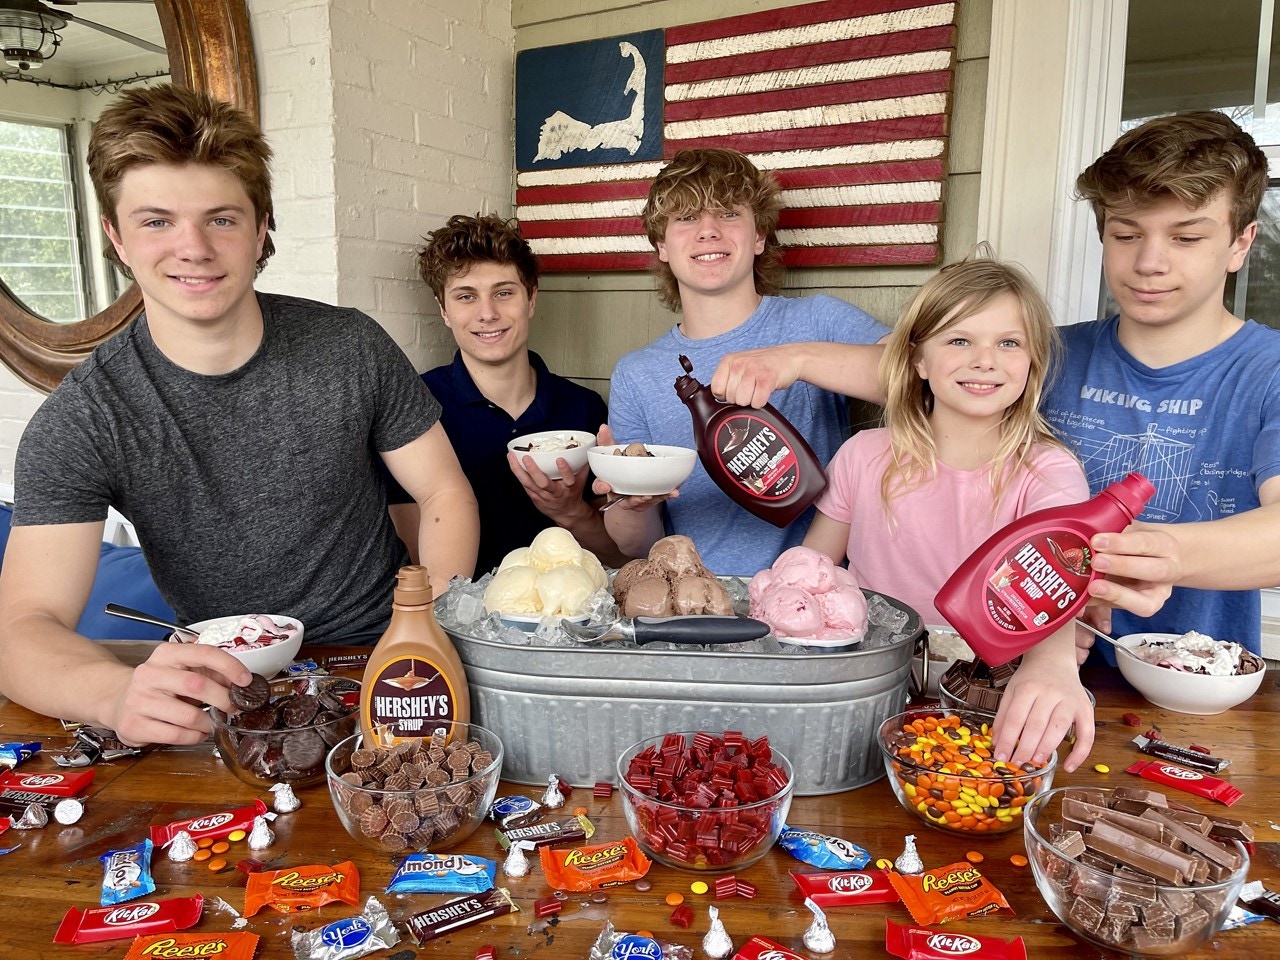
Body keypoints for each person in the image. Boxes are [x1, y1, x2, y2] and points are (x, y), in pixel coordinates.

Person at [0, 85, 479, 748]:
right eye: (156, 220)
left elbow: (441, 490)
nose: (192, 247)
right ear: (115, 235)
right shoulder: (84, 419)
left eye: (221, 218)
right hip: (224, 689)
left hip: (382, 656)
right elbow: (22, 627)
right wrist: (112, 692)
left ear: (260, 230)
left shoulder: (350, 346)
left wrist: (429, 631)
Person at [802, 256, 1096, 771]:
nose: (985, 360)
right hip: (869, 691)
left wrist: (1056, 659)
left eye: (1009, 343)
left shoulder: (1049, 471)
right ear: (917, 359)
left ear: (1033, 363)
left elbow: (1055, 583)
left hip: (997, 700)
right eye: (959, 340)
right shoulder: (863, 455)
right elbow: (810, 575)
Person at [1043, 110, 1280, 659]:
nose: (1148, 262)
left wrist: (1162, 551)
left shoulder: (1269, 371)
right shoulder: (1042, 352)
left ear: (1241, 244)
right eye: (1126, 234)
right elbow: (912, 372)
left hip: (1189, 691)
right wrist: (802, 356)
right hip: (1016, 674)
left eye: (1186, 237)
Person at [603, 147, 889, 574]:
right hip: (697, 603)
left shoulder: (817, 320)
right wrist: (633, 504)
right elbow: (637, 544)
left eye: (728, 213)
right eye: (686, 218)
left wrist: (794, 359)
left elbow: (919, 375)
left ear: (759, 237)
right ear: (662, 245)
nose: (708, 231)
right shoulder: (636, 374)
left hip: (812, 595)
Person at [385, 214, 625, 574]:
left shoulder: (583, 407)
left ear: (530, 300)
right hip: (460, 619)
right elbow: (413, 566)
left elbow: (619, 557)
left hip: (566, 621)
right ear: (444, 311)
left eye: (503, 293)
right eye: (466, 296)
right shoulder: (416, 406)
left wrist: (570, 512)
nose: (487, 313)